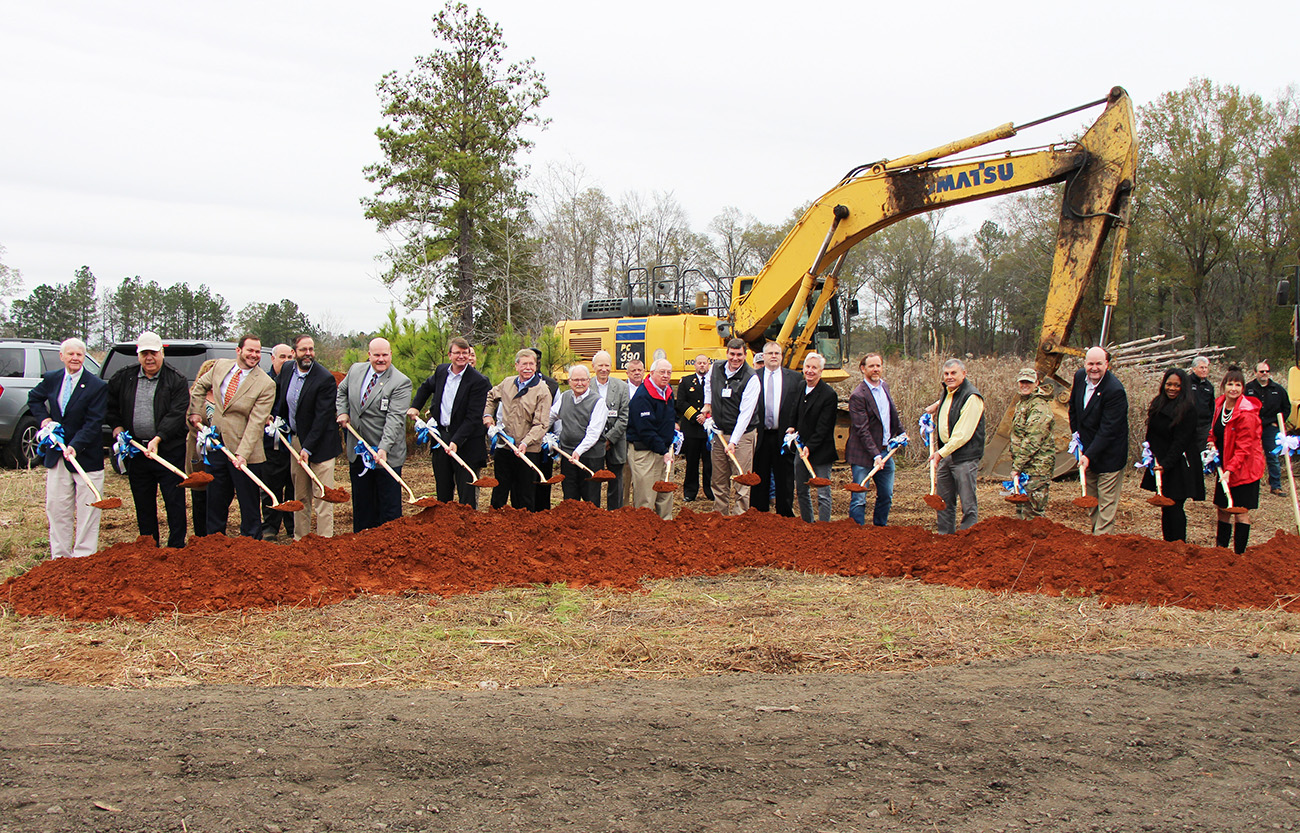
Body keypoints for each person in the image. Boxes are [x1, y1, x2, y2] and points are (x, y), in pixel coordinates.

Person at [106, 331, 189, 548]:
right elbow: (110, 405)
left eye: (153, 352)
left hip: (168, 450)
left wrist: (159, 438)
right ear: (138, 355)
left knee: (174, 500)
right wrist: (117, 429)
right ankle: (148, 545)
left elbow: (177, 413)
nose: (149, 358)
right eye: (144, 354)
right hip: (136, 450)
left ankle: (176, 546)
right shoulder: (124, 377)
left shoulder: (175, 379)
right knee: (143, 501)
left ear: (162, 352)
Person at [187, 335, 276, 537]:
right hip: (217, 446)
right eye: (250, 350)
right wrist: (194, 411)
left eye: (257, 352)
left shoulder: (266, 384)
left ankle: (251, 543)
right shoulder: (220, 367)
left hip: (246, 452)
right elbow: (200, 386)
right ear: (238, 351)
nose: (254, 355)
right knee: (216, 499)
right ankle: (215, 541)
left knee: (248, 503)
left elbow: (256, 423)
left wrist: (242, 454)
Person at [28, 337, 108, 558]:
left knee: (88, 508)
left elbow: (94, 422)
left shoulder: (96, 386)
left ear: (84, 358)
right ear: (62, 356)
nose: (75, 358)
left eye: (79, 354)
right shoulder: (52, 379)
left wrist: (75, 445)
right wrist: (44, 419)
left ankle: (84, 556)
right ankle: (60, 557)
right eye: (70, 354)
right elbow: (34, 398)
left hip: (85, 456)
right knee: (57, 508)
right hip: (57, 455)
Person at [336, 337, 412, 532]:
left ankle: (389, 551)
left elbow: (395, 420)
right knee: (363, 506)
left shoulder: (400, 382)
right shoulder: (355, 371)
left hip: (386, 455)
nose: (381, 359)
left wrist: (383, 448)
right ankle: (362, 546)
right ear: (369, 355)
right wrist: (342, 411)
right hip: (359, 451)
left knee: (388, 510)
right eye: (376, 355)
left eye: (385, 355)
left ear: (391, 355)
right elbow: (342, 391)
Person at [408, 337, 490, 507]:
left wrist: (456, 441)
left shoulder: (479, 381)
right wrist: (416, 406)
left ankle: (467, 527)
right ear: (449, 354)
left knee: (466, 493)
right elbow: (425, 387)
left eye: (465, 353)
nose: (461, 356)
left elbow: (473, 417)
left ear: (469, 355)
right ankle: (443, 527)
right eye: (457, 353)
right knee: (443, 488)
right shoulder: (441, 371)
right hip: (441, 437)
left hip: (466, 442)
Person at [275, 335, 341, 538]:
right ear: (294, 353)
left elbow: (322, 418)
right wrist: (275, 417)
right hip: (296, 440)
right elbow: (280, 397)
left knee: (322, 496)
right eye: (303, 350)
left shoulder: (324, 378)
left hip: (321, 445)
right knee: (301, 495)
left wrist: (308, 448)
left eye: (311, 349)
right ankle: (300, 539)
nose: (308, 354)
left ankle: (324, 542)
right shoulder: (287, 370)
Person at [1068, 346, 1129, 534]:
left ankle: (1102, 543)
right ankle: (1097, 537)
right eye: (1090, 364)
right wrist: (1077, 439)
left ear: (1107, 365)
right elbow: (1074, 410)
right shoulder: (1079, 378)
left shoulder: (1114, 391)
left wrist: (1089, 454)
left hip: (1110, 456)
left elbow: (1108, 430)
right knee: (1092, 501)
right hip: (1087, 452)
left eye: (1099, 364)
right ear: (1085, 364)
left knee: (1106, 505)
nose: (1094, 368)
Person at [484, 348, 553, 511]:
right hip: (505, 446)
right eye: (524, 364)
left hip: (528, 450)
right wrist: (487, 415)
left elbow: (541, 424)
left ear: (536, 366)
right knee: (500, 489)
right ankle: (495, 524)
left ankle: (523, 529)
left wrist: (525, 443)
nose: (528, 368)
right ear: (516, 366)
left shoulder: (543, 390)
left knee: (524, 494)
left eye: (531, 364)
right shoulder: (507, 383)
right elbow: (491, 396)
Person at [1140, 368, 1204, 542]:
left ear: (1183, 387)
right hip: (1161, 461)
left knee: (1175, 505)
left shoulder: (1188, 409)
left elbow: (1181, 441)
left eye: (1177, 385)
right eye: (1169, 384)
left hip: (1180, 464)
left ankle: (1178, 544)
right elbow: (1151, 433)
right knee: (1165, 506)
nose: (1172, 388)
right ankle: (1167, 544)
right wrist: (1152, 456)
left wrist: (1166, 464)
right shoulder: (1158, 403)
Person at [702, 338, 761, 515]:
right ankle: (719, 514)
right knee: (719, 478)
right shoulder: (716, 368)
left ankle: (740, 516)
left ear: (745, 355)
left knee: (741, 478)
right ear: (727, 353)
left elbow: (746, 414)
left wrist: (733, 442)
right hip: (719, 433)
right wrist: (707, 404)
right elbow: (708, 385)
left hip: (742, 436)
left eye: (739, 355)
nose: (735, 358)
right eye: (732, 354)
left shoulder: (751, 378)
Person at [926, 359, 985, 534]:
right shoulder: (948, 392)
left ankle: (968, 537)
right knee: (944, 500)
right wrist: (936, 406)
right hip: (948, 454)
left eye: (954, 373)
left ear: (964, 374)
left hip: (964, 456)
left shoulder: (972, 397)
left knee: (968, 502)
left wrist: (939, 453)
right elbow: (951, 404)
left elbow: (962, 435)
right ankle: (945, 537)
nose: (949, 377)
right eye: (946, 374)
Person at [1210, 365, 1265, 553]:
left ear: (1243, 389)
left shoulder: (1247, 413)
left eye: (1238, 385)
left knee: (1240, 511)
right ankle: (1221, 551)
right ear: (1224, 386)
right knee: (1223, 509)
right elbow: (1214, 431)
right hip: (1224, 465)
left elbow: (1244, 447)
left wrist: (1230, 470)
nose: (1233, 388)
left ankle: (1238, 554)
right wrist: (1210, 444)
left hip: (1244, 469)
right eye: (1230, 384)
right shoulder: (1219, 405)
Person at [846, 352, 900, 527]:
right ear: (863, 369)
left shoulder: (885, 387)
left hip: (885, 452)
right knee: (859, 496)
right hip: (864, 454)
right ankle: (856, 534)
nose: (876, 369)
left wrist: (901, 433)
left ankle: (879, 529)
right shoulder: (858, 395)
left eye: (878, 365)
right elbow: (862, 430)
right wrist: (875, 455)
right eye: (871, 366)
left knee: (886, 495)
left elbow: (891, 415)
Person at [752, 341, 801, 517]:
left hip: (784, 436)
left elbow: (798, 407)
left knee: (785, 477)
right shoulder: (753, 376)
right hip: (761, 434)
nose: (774, 356)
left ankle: (785, 513)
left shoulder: (795, 378)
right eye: (770, 353)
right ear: (763, 357)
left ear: (781, 356)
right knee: (760, 474)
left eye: (777, 353)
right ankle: (759, 512)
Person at [547, 364, 607, 504]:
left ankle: (591, 526)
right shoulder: (565, 397)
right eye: (575, 380)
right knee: (569, 496)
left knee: (590, 499)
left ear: (589, 381)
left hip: (590, 457)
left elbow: (594, 432)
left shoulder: (598, 402)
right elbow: (550, 416)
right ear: (569, 381)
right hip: (568, 455)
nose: (579, 383)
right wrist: (541, 432)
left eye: (583, 380)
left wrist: (579, 451)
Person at [627, 358, 676, 519]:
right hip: (645, 451)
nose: (666, 375)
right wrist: (663, 450)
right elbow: (645, 430)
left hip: (664, 449)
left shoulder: (667, 391)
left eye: (669, 372)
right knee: (646, 495)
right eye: (662, 372)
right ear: (652, 373)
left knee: (665, 491)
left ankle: (666, 525)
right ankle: (643, 530)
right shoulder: (643, 396)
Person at [794, 352, 838, 523]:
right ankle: (808, 522)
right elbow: (794, 412)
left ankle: (824, 526)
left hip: (821, 450)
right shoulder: (800, 387)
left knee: (823, 491)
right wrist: (791, 427)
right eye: (807, 367)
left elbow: (824, 426)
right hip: (801, 448)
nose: (810, 371)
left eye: (814, 368)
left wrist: (810, 446)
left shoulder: (828, 394)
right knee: (801, 489)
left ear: (821, 371)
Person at [259, 342, 296, 541]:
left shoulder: (297, 381)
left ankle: (292, 525)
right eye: (282, 357)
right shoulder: (264, 381)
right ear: (272, 359)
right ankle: (270, 526)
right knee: (270, 485)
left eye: (290, 357)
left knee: (292, 485)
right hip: (269, 444)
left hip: (291, 442)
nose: (287, 361)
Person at [1008, 368, 1055, 519]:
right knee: (1021, 511)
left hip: (1037, 468)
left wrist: (1017, 466)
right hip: (1026, 467)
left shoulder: (1039, 406)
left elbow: (1033, 440)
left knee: (1033, 514)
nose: (1025, 385)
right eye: (1022, 382)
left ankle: (1037, 543)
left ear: (1037, 383)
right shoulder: (1023, 403)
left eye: (1029, 382)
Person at [1245, 360, 1289, 496]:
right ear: (1255, 373)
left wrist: (1277, 422)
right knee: (1250, 455)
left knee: (1273, 456)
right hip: (1252, 427)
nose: (1265, 374)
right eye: (1261, 371)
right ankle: (1249, 484)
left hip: (1271, 428)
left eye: (1267, 371)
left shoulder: (1278, 389)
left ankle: (1276, 486)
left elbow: (1287, 407)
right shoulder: (1248, 388)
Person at [591, 350, 629, 510]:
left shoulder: (622, 386)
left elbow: (624, 417)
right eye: (600, 365)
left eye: (607, 365)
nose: (604, 369)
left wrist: (609, 439)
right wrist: (598, 439)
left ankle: (615, 514)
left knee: (616, 481)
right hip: (592, 444)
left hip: (616, 442)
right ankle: (594, 514)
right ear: (593, 367)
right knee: (593, 481)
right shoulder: (587, 385)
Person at [674, 354, 713, 503]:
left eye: (705, 363)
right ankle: (690, 492)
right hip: (692, 428)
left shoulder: (713, 381)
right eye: (699, 363)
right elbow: (681, 403)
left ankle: (710, 492)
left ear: (708, 365)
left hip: (708, 429)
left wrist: (707, 416)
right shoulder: (686, 381)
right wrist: (697, 416)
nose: (702, 365)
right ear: (695, 365)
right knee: (692, 463)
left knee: (709, 463)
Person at [186, 358, 218, 537]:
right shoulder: (195, 396)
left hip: (219, 452)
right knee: (200, 494)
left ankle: (215, 532)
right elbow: (189, 420)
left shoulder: (224, 395)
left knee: (217, 494)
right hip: (199, 450)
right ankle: (200, 534)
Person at [531, 347, 561, 511]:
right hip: (523, 442)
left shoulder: (552, 385)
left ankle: (543, 514)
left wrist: (555, 440)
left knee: (544, 482)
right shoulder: (513, 383)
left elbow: (556, 415)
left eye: (534, 361)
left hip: (545, 442)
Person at [621, 358, 646, 508]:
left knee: (641, 478)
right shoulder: (621, 389)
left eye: (639, 370)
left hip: (643, 442)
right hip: (624, 439)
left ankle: (640, 509)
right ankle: (623, 508)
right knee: (625, 476)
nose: (637, 373)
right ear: (627, 373)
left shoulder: (649, 388)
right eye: (633, 371)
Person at [1188, 357, 1215, 455]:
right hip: (1189, 424)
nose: (1204, 370)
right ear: (1194, 369)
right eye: (1201, 367)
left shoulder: (1209, 386)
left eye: (1206, 368)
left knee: (1203, 453)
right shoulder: (1186, 382)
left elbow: (1212, 406)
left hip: (1204, 426)